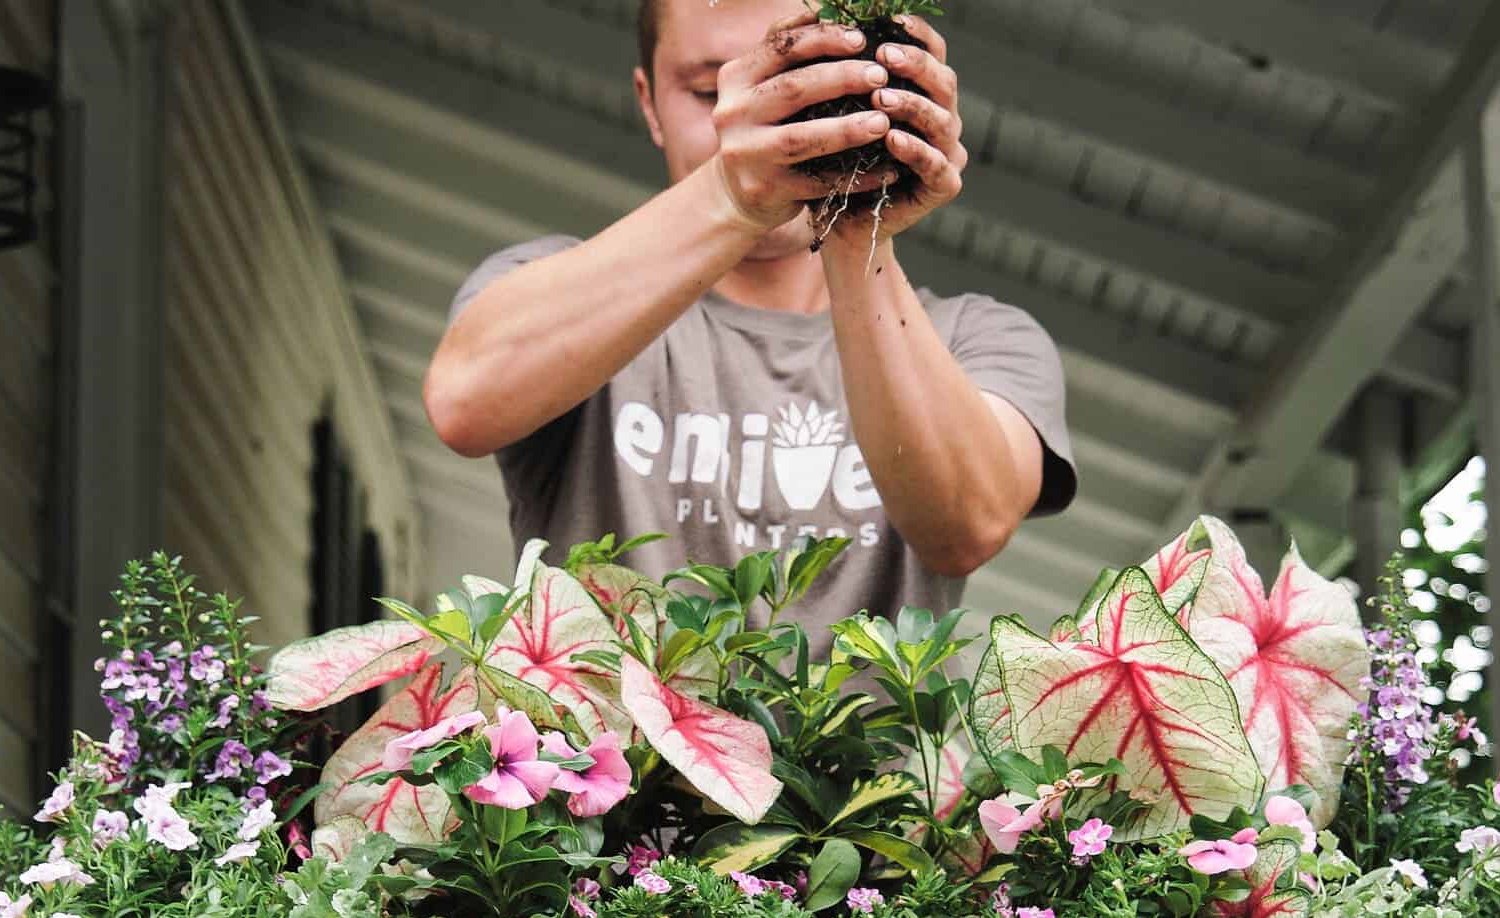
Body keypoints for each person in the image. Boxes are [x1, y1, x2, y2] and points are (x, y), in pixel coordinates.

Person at [424, 0, 1075, 638]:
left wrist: (855, 226)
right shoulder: (552, 281)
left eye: (790, 88)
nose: (748, 121)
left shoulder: (976, 337)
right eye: (710, 92)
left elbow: (965, 529)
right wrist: (733, 194)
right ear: (648, 103)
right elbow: (463, 402)